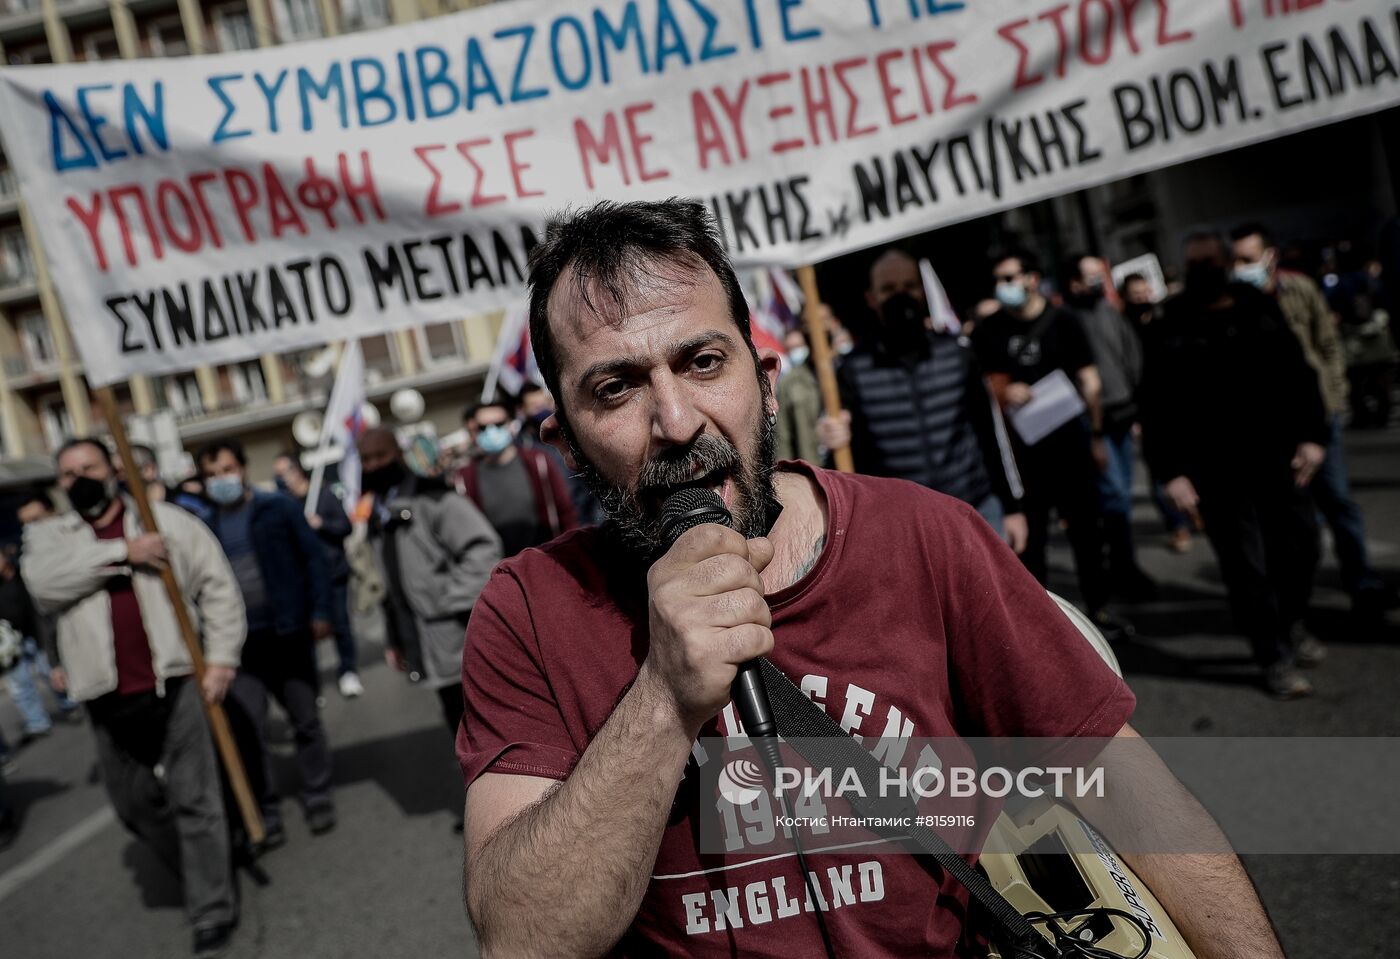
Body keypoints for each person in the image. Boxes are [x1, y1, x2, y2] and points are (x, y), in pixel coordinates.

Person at [458, 199, 1287, 957]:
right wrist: (664, 698)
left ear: (767, 382)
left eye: (703, 361)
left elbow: (1129, 792)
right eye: (616, 387)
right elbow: (524, 937)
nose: (676, 422)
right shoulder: (528, 610)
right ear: (565, 439)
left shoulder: (926, 537)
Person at [22, 438, 245, 958]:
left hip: (177, 682)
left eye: (89, 467)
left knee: (196, 797)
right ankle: (202, 860)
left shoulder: (166, 521)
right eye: (69, 472)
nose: (79, 478)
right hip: (104, 696)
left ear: (113, 469)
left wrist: (222, 659)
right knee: (135, 806)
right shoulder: (51, 537)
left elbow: (216, 586)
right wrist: (124, 551)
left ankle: (211, 903)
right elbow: (43, 584)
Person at [1139, 231, 1329, 699]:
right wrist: (1171, 473)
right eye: (1193, 263)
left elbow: (1298, 374)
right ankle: (1273, 656)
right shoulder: (1170, 322)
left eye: (1210, 262)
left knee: (1301, 547)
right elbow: (1156, 406)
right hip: (1215, 474)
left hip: (1277, 459)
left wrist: (1312, 436)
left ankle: (1291, 621)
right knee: (1247, 569)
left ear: (1225, 265)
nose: (1203, 271)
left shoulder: (1256, 307)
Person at [1231, 223, 1392, 622]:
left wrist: (1332, 401)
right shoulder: (1232, 303)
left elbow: (1328, 344)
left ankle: (1361, 581)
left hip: (1318, 419)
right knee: (1289, 519)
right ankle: (1292, 605)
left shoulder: (1299, 290)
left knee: (1337, 501)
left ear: (1270, 256)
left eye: (1247, 259)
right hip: (1271, 430)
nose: (1239, 267)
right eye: (1234, 259)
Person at [816, 248, 1028, 551]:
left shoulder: (957, 353)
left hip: (975, 508)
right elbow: (843, 455)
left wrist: (1012, 507)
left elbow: (989, 433)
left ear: (923, 291)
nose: (901, 296)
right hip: (902, 526)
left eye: (909, 286)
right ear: (872, 298)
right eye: (889, 289)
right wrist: (831, 438)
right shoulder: (852, 370)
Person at [971, 249, 1126, 638]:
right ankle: (1042, 625)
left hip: (1071, 447)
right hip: (1023, 457)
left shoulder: (1065, 321)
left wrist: (1094, 435)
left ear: (1032, 279)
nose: (1004, 287)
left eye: (1010, 278)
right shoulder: (990, 330)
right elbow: (983, 389)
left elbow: (1090, 381)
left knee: (1088, 534)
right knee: (1032, 543)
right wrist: (1006, 391)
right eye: (999, 280)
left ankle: (1100, 610)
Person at [197, 439, 337, 844]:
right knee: (248, 728)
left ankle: (317, 795)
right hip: (238, 647)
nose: (220, 479)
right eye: (211, 474)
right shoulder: (205, 526)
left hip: (287, 633)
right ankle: (266, 810)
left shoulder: (277, 509)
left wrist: (321, 612)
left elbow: (313, 558)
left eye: (226, 469)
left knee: (304, 718)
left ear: (241, 468)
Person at [356, 427, 500, 748]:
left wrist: (444, 597)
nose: (374, 465)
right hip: (426, 642)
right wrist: (395, 637)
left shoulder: (433, 499)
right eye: (366, 459)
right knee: (462, 734)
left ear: (397, 454)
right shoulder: (378, 512)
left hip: (463, 639)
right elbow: (390, 582)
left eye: (381, 455)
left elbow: (483, 551)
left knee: (491, 732)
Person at [1065, 254, 1155, 601]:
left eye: (1098, 276)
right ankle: (1123, 568)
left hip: (1121, 414)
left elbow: (1131, 356)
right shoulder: (1069, 319)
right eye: (1089, 276)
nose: (1095, 283)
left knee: (1120, 495)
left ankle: (1120, 562)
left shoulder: (1108, 311)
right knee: (1115, 495)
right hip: (1093, 423)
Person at [272, 452, 362, 698]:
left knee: (341, 624)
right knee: (306, 633)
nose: (279, 479)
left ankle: (348, 671)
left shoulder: (324, 495)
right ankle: (311, 686)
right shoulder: (285, 504)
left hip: (333, 574)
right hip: (303, 580)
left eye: (282, 473)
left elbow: (345, 526)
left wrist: (322, 524)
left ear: (296, 471)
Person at [455, 400, 578, 557]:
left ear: (510, 425)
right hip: (498, 568)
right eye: (483, 427)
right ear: (474, 432)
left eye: (498, 424)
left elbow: (565, 511)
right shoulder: (464, 478)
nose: (491, 431)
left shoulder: (538, 461)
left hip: (548, 556)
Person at [1, 544, 78, 741]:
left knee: (49, 671)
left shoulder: (24, 575)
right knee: (21, 684)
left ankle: (69, 704)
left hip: (37, 634)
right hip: (11, 644)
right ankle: (37, 722)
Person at [517, 383, 604, 526]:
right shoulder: (521, 446)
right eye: (535, 406)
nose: (543, 410)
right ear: (522, 410)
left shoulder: (572, 433)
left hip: (587, 516)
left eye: (545, 403)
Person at [775, 327, 822, 464]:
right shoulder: (788, 383)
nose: (796, 352)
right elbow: (783, 435)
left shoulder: (841, 370)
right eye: (790, 349)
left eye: (798, 346)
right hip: (814, 465)